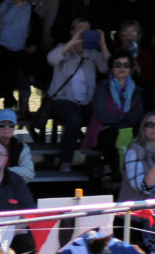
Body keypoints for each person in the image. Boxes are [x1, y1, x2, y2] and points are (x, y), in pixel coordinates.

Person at [46, 19, 110, 172]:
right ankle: (65, 162)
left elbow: (108, 68)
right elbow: (51, 59)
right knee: (74, 119)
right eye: (80, 30)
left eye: (87, 30)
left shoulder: (92, 54)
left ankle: (96, 162)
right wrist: (73, 41)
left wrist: (102, 44)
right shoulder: (63, 49)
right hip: (62, 100)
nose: (83, 33)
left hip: (85, 102)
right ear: (72, 31)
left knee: (100, 118)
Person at [90, 51, 143, 182]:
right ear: (111, 67)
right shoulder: (103, 86)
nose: (122, 68)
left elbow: (138, 114)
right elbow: (101, 113)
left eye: (126, 65)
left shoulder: (136, 89)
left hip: (128, 126)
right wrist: (123, 118)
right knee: (111, 135)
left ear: (131, 69)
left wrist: (122, 120)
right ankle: (109, 170)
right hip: (106, 127)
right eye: (118, 65)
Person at [0, 0, 34, 117]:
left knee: (10, 78)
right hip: (2, 46)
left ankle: (9, 105)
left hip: (18, 48)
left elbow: (26, 25)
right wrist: (16, 6)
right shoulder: (4, 5)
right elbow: (5, 21)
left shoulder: (28, 7)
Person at [120, 111, 155, 201]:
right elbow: (141, 187)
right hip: (135, 210)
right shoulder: (134, 151)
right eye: (150, 124)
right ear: (143, 128)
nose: (154, 128)